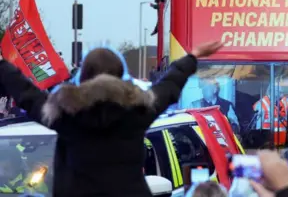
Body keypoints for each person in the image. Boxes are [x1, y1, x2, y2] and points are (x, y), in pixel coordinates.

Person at [0, 40, 223, 197]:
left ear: (83, 77)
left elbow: (26, 94)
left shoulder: (64, 114)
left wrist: (2, 64)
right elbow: (169, 86)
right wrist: (192, 57)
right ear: (120, 75)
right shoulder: (137, 111)